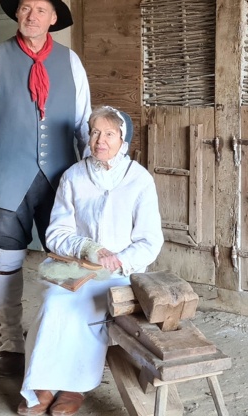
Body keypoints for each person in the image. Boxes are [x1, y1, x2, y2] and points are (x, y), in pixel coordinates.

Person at [0, 0, 92, 376]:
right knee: (6, 259)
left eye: (39, 10)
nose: (31, 15)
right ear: (16, 15)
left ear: (53, 19)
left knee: (64, 261)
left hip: (61, 181)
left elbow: (85, 125)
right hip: (4, 179)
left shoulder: (71, 62)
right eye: (24, 9)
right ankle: (11, 340)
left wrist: (88, 180)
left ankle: (60, 336)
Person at [17, 105, 164, 416]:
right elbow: (56, 232)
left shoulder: (139, 180)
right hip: (75, 266)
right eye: (95, 132)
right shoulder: (73, 176)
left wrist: (117, 260)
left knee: (89, 309)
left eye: (109, 133)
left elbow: (150, 242)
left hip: (119, 273)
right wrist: (88, 248)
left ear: (123, 141)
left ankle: (74, 387)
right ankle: (40, 385)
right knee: (55, 304)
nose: (100, 140)